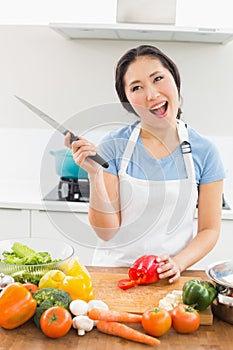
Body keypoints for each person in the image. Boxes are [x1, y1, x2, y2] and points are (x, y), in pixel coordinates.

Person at [67, 45, 225, 283]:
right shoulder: (114, 146)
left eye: (158, 79)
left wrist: (178, 263)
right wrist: (94, 175)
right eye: (137, 87)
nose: (151, 94)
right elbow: (106, 232)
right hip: (113, 276)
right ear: (128, 101)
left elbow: (209, 230)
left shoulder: (206, 152)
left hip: (169, 277)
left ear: (175, 80)